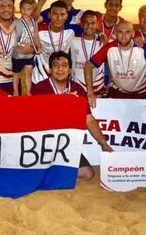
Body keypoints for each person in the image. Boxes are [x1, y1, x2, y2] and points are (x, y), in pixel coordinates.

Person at [32, 51, 113, 180]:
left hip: (66, 144)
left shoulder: (78, 89)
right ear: (49, 69)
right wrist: (63, 100)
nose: (60, 69)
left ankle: (53, 172)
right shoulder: (39, 89)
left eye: (64, 65)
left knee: (88, 174)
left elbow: (89, 120)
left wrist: (102, 142)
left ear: (70, 70)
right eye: (55, 65)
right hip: (44, 143)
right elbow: (38, 117)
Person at [85, 21, 146, 106]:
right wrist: (90, 92)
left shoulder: (142, 48)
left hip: (141, 93)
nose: (123, 36)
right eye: (120, 32)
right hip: (118, 93)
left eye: (127, 32)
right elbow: (88, 66)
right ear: (116, 33)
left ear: (133, 34)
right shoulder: (109, 48)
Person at [32, 1, 82, 85]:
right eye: (55, 14)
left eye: (62, 14)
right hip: (40, 77)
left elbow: (90, 30)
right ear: (49, 15)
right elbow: (28, 23)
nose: (58, 18)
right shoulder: (38, 30)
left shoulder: (71, 31)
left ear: (67, 16)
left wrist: (101, 34)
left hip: (61, 76)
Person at [69, 10, 105, 94]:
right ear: (81, 24)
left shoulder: (104, 43)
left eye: (93, 23)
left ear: (97, 25)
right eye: (86, 23)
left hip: (97, 88)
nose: (89, 26)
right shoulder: (72, 40)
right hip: (76, 87)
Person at [12, 0, 42, 96]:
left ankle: (29, 92)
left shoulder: (34, 23)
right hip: (18, 53)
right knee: (16, 73)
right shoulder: (16, 21)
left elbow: (36, 35)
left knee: (28, 73)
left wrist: (38, 46)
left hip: (29, 53)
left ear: (33, 11)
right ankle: (15, 91)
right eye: (23, 8)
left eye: (28, 9)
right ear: (20, 8)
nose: (25, 11)